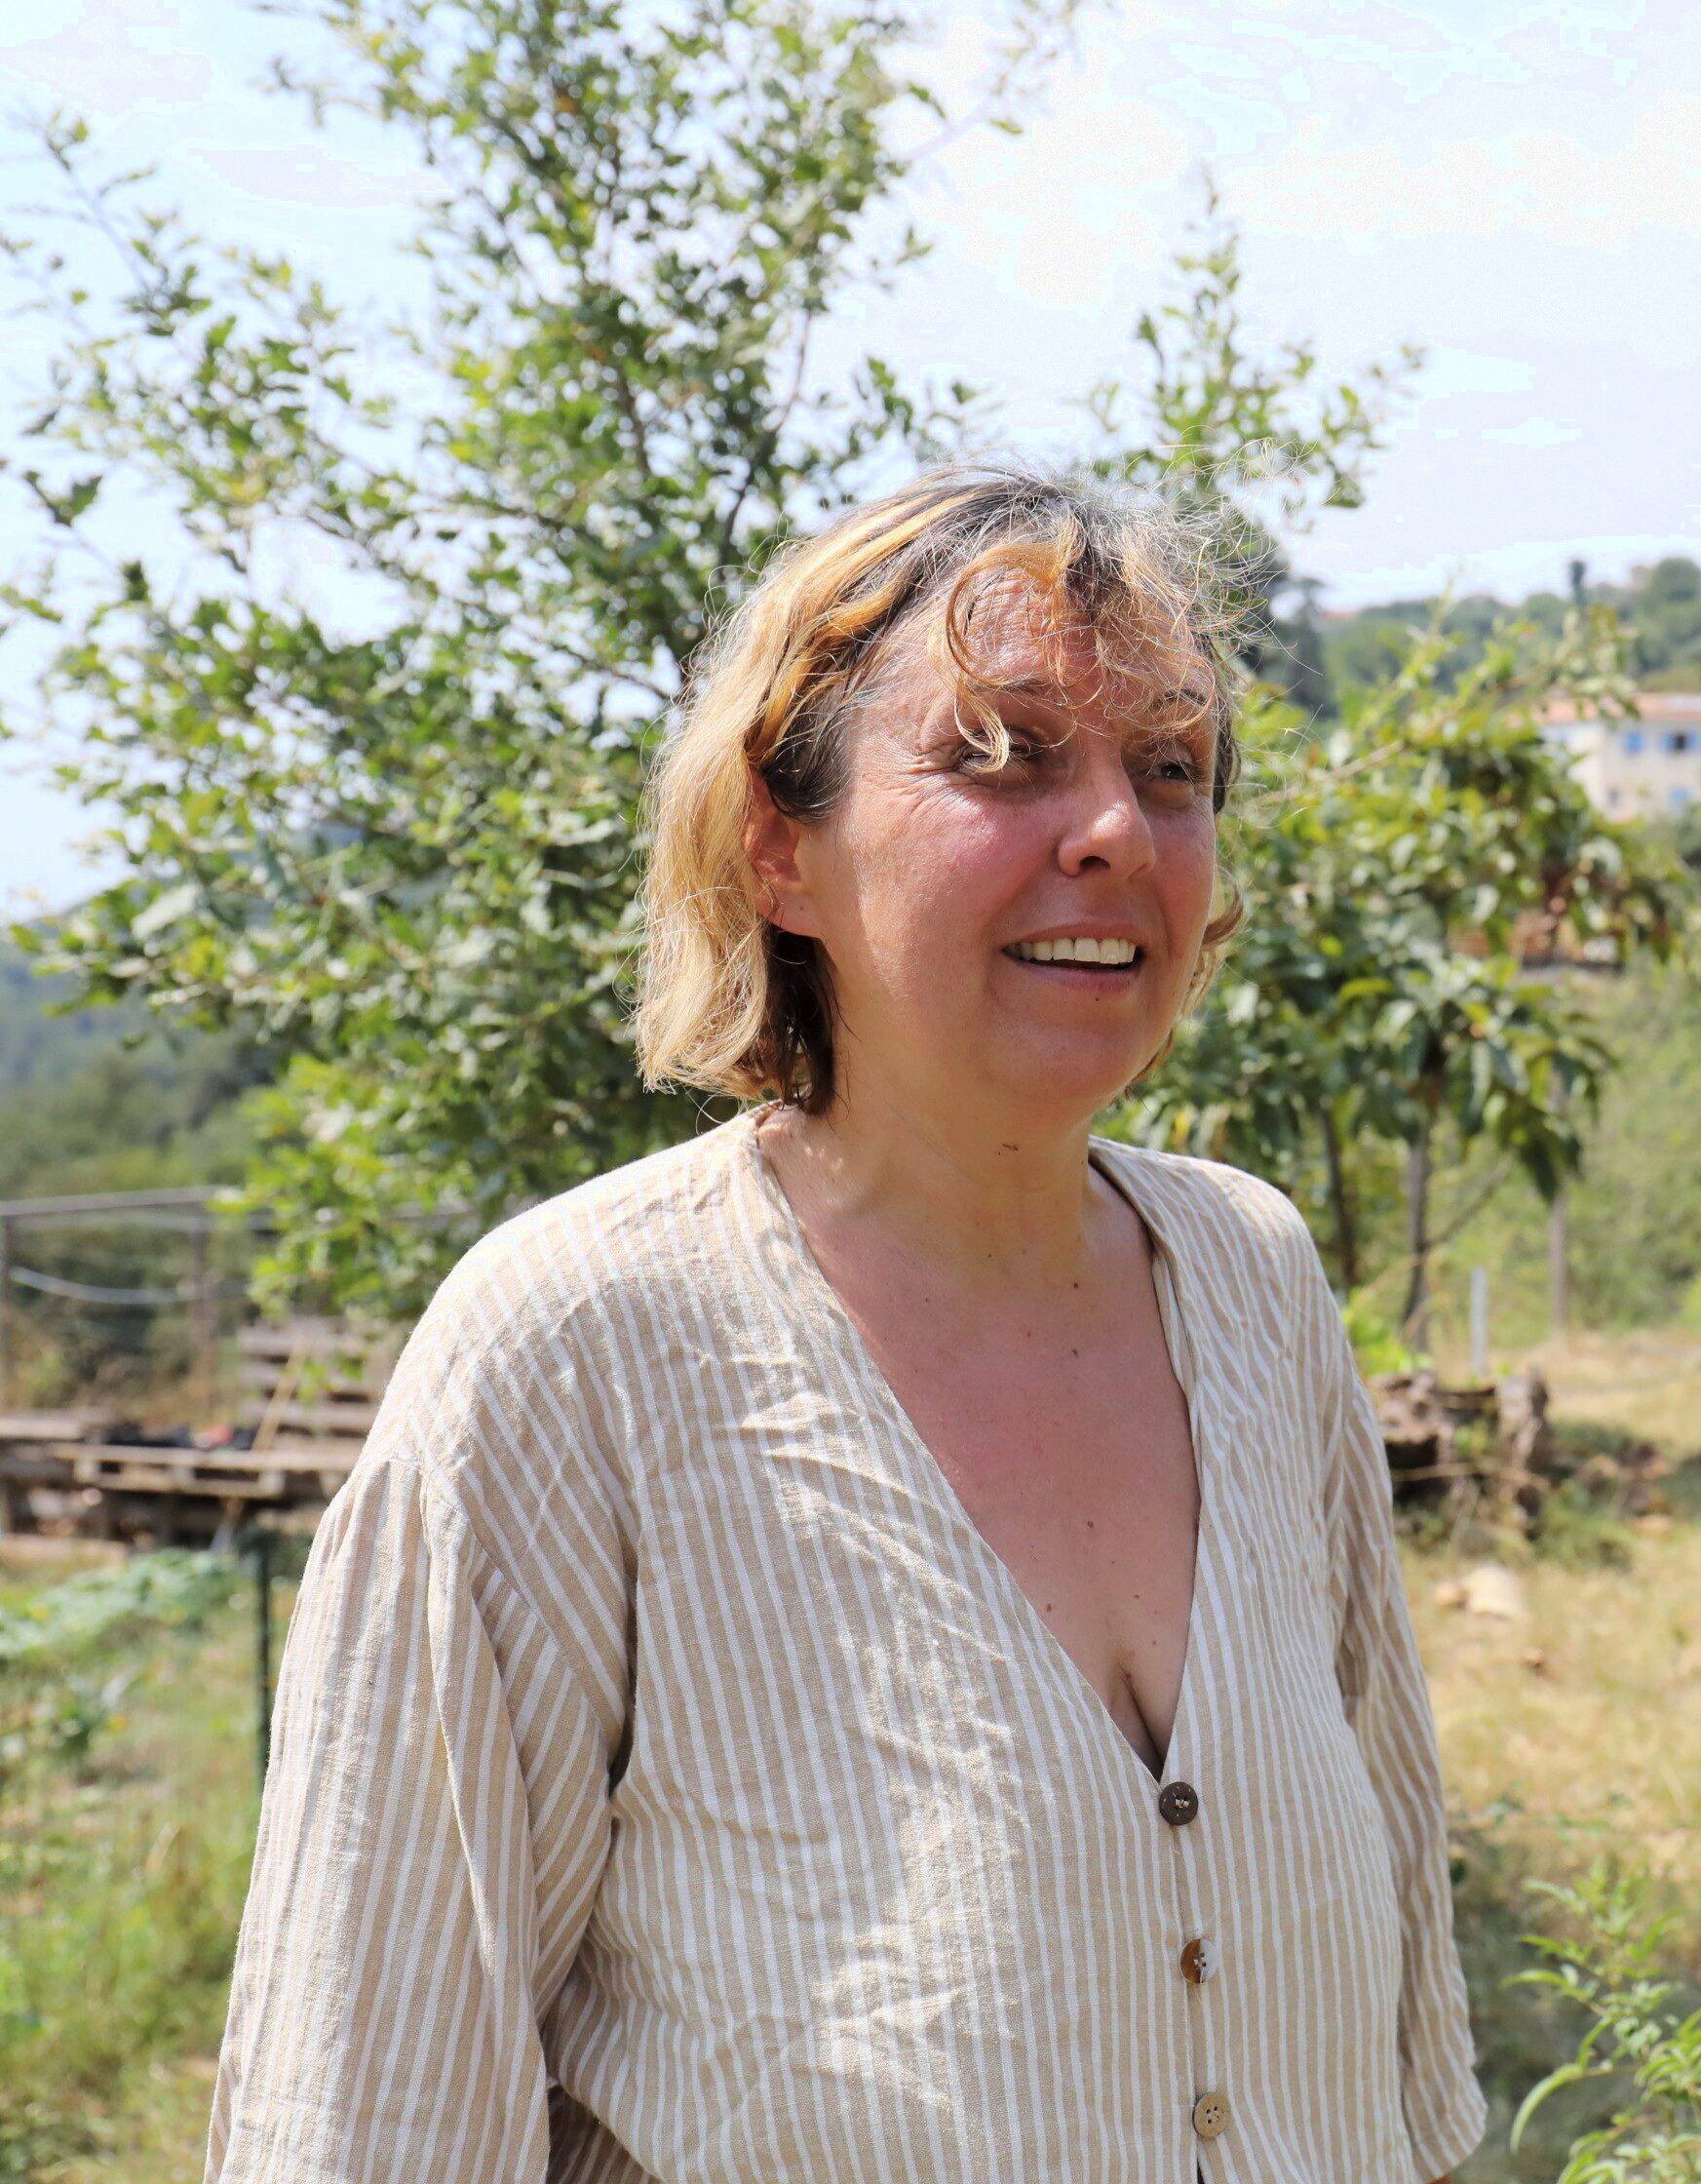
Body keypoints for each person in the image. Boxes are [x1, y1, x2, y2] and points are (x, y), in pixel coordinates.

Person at [203, 466, 1485, 2183]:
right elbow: (366, 2105)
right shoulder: (578, 1351)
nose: (1114, 827)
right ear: (778, 846)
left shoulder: (1254, 1282)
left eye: (1169, 769)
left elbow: (1389, 1986)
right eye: (1004, 756)